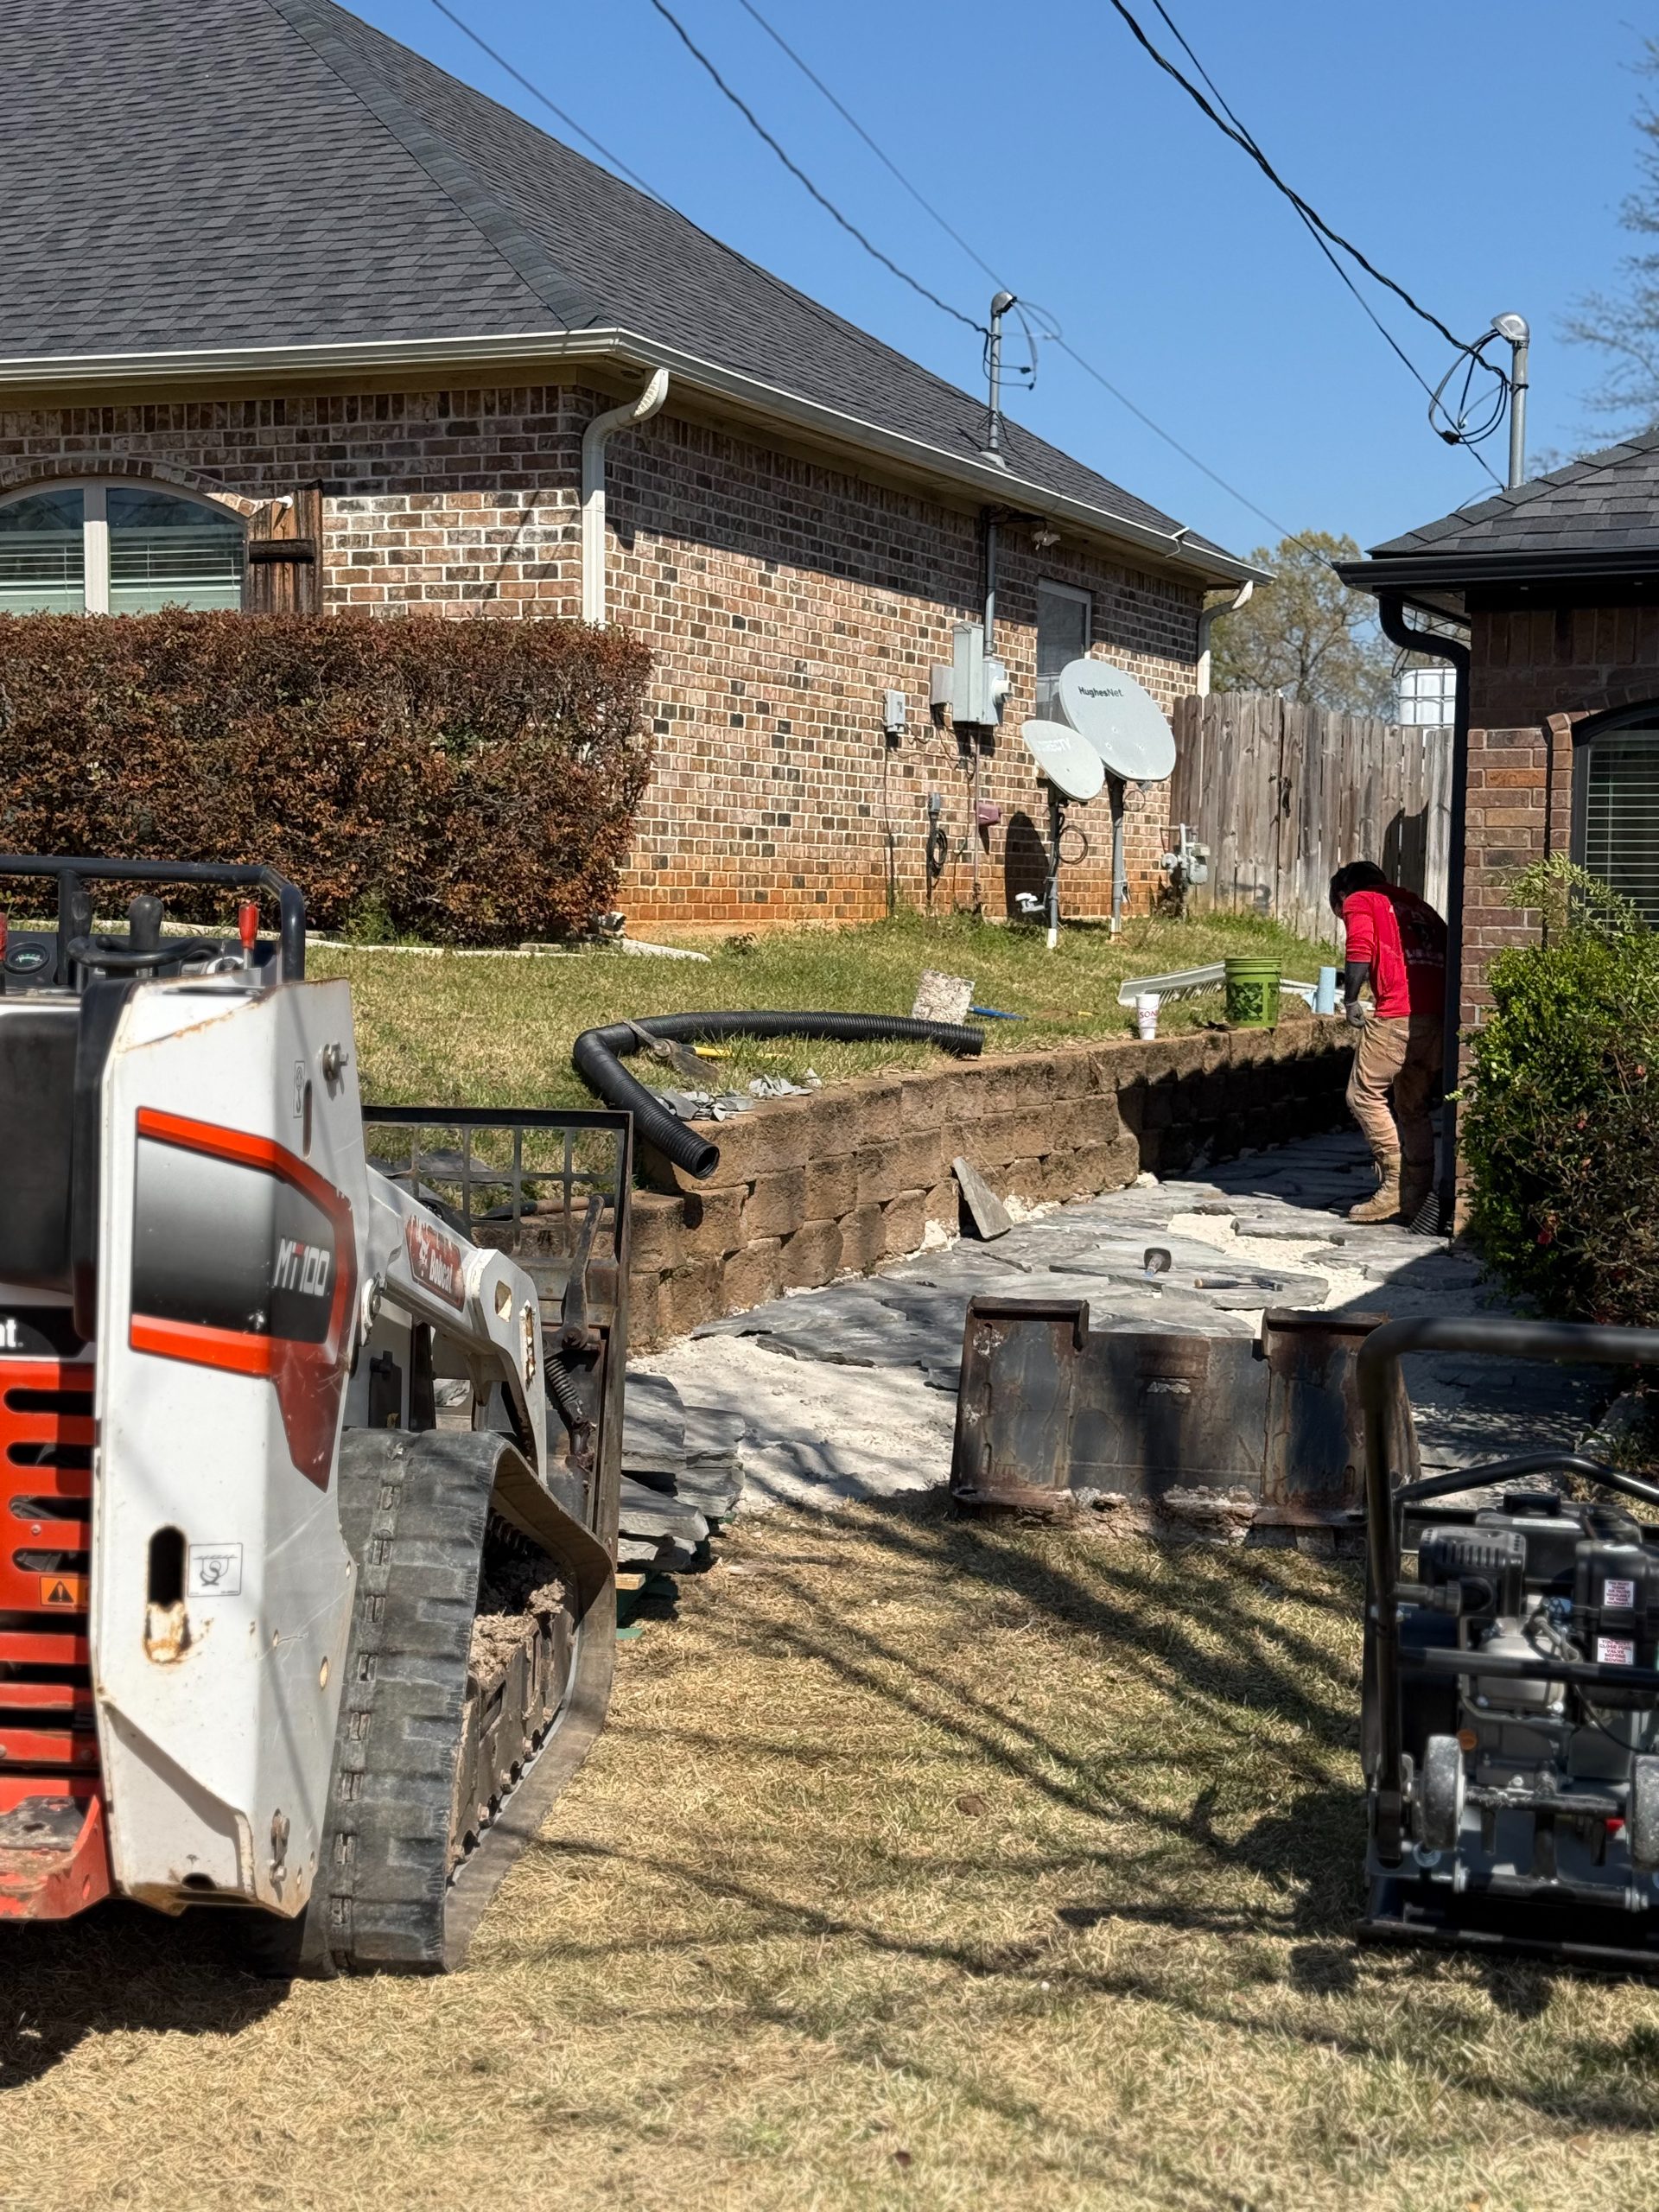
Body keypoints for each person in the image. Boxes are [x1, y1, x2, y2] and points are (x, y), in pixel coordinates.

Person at [1328, 861, 1447, 1225]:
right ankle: (1417, 1196)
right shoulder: (1419, 907)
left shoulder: (1361, 900)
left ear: (1342, 895)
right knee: (1411, 1104)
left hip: (1398, 1012)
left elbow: (1360, 947)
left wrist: (1350, 999)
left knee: (1362, 1095)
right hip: (1437, 1016)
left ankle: (1394, 1186)